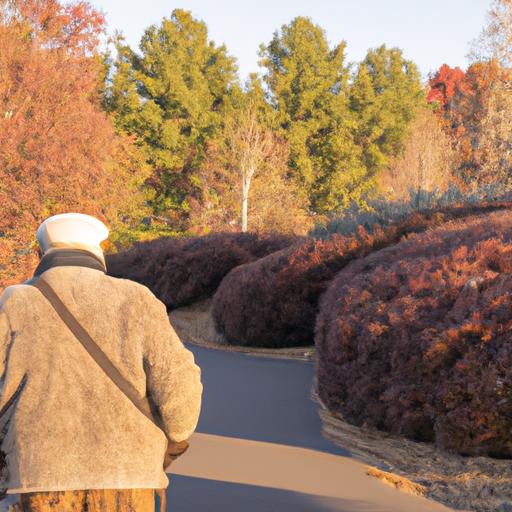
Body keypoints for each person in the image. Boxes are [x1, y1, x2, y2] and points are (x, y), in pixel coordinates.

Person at [0, 213, 203, 511]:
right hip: (129, 479)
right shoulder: (137, 300)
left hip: (41, 477)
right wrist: (174, 437)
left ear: (41, 254)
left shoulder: (15, 303)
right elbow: (180, 391)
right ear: (98, 252)